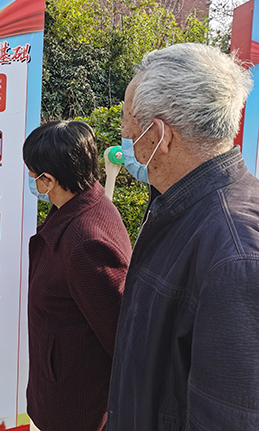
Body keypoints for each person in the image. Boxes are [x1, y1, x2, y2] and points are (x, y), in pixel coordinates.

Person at [107, 43, 258, 430]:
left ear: (158, 134)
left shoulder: (234, 254)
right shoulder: (181, 207)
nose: (124, 135)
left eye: (127, 121)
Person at [23, 120, 131, 431]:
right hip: (60, 384)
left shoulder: (86, 242)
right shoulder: (82, 204)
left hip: (75, 405)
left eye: (32, 175)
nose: (30, 180)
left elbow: (118, 335)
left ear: (49, 180)